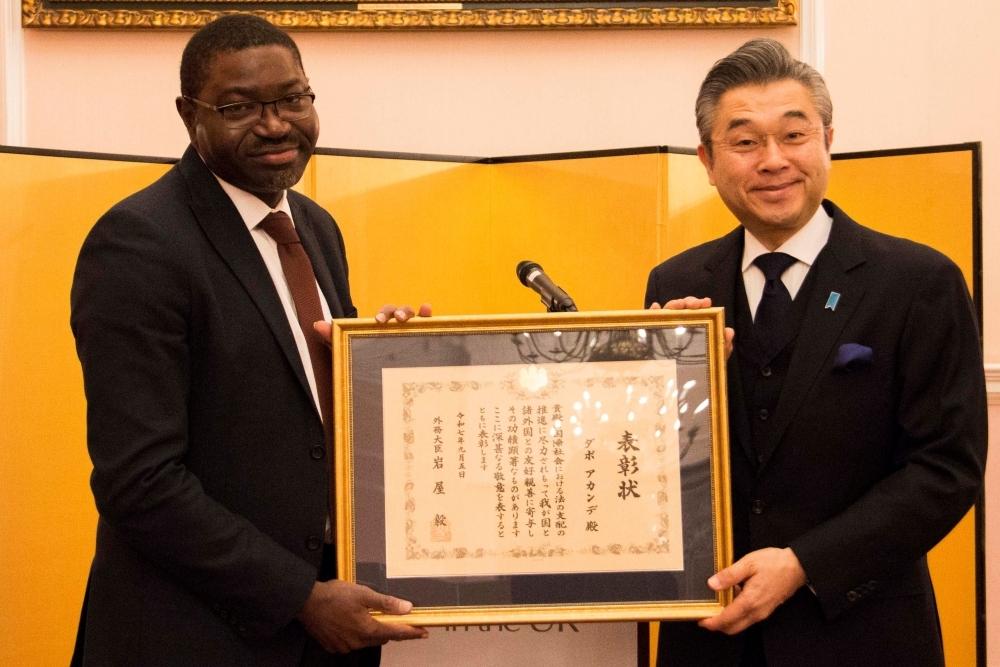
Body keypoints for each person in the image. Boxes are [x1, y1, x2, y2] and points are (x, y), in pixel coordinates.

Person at [70, 14, 428, 666]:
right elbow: (140, 482)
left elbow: (302, 415)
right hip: (196, 634)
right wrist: (302, 597)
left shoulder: (315, 227)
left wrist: (382, 363)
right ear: (189, 114)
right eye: (239, 107)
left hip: (324, 625)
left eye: (293, 99)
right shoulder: (139, 244)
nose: (275, 124)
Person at [645, 39, 987, 667]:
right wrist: (671, 386)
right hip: (711, 634)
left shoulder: (917, 280)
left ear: (828, 140)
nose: (773, 161)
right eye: (745, 142)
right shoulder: (676, 286)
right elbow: (654, 470)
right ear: (708, 159)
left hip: (864, 632)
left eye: (794, 136)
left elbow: (946, 468)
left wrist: (804, 565)